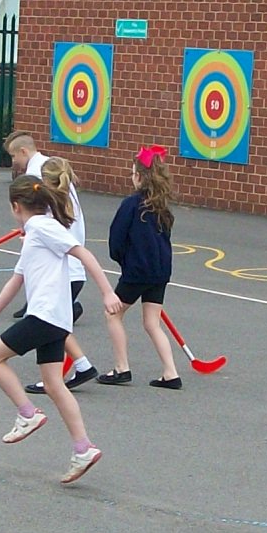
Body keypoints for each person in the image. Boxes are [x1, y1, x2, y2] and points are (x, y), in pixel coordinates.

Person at [0, 176, 122, 484]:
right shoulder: (35, 232)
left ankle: (27, 414)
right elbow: (16, 279)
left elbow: (83, 254)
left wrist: (108, 292)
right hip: (55, 318)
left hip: (45, 316)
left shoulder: (44, 228)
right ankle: (82, 448)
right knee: (54, 384)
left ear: (15, 206)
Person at [6, 133, 98, 389]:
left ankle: (67, 373)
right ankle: (79, 367)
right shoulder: (56, 188)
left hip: (64, 272)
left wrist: (31, 231)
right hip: (68, 270)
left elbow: (56, 235)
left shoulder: (41, 181)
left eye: (14, 156)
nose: (14, 161)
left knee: (48, 323)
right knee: (54, 324)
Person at [101, 145, 182, 388]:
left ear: (139, 176)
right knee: (151, 322)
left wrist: (122, 260)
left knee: (113, 313)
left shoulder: (131, 204)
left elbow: (116, 238)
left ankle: (121, 367)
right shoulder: (161, 206)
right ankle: (171, 372)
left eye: (132, 172)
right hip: (160, 271)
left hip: (138, 270)